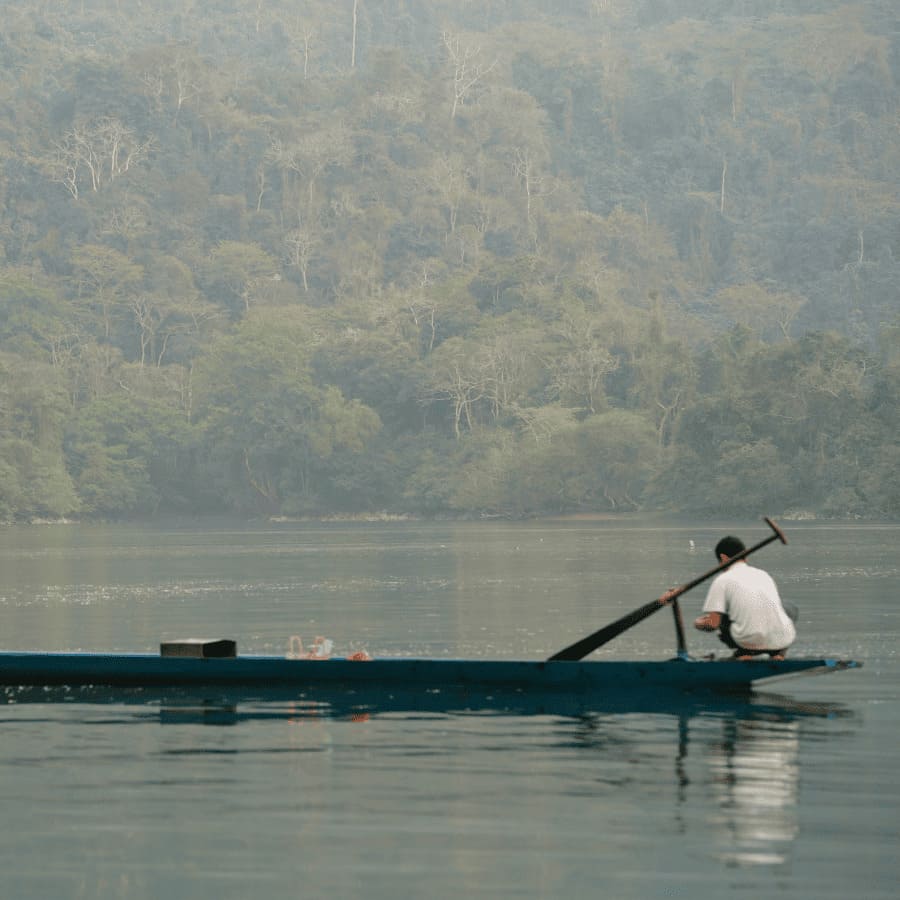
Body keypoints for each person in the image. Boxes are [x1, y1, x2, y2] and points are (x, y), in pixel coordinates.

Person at [692, 535, 796, 660]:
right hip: (783, 640)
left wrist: (698, 623)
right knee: (789, 608)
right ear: (745, 556)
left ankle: (745, 653)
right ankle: (777, 654)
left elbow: (713, 624)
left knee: (723, 619)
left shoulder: (722, 580)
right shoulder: (763, 575)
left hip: (748, 642)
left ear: (723, 558)